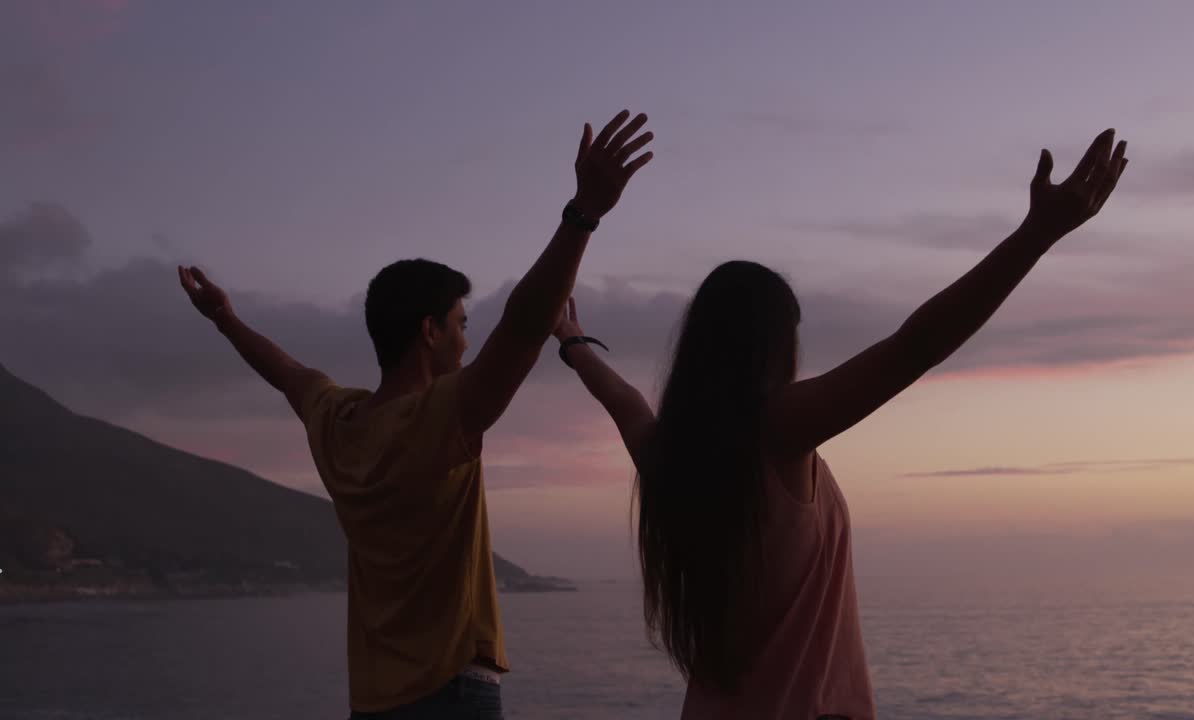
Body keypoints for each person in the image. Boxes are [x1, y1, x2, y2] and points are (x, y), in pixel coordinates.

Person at [552, 129, 1128, 720]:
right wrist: (1036, 236)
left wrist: (573, 343)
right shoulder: (779, 430)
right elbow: (916, 346)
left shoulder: (667, 454)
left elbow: (622, 398)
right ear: (773, 345)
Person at [177, 110, 655, 719]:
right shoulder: (440, 418)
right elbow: (524, 325)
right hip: (453, 694)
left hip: (374, 702)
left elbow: (282, 371)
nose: (465, 340)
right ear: (429, 332)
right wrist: (583, 213)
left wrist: (226, 320)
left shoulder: (338, 420)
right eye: (460, 325)